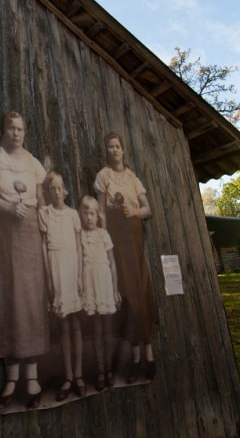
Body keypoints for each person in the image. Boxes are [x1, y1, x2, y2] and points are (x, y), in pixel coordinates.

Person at [0, 111, 49, 410]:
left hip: (30, 233)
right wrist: (7, 208)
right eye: (11, 128)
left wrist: (46, 226)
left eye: (21, 129)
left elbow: (42, 200)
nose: (16, 133)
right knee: (8, 299)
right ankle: (10, 378)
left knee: (31, 299)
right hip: (4, 232)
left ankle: (31, 378)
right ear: (4, 131)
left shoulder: (33, 163)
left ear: (25, 132)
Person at [94, 132, 157, 383]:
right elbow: (99, 209)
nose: (114, 150)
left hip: (133, 234)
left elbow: (148, 208)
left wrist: (134, 211)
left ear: (123, 150)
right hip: (115, 235)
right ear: (107, 151)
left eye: (118, 146)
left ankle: (148, 354)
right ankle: (134, 357)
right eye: (110, 146)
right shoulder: (103, 176)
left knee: (141, 291)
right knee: (127, 293)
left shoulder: (132, 178)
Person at [38, 171, 85, 401]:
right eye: (52, 189)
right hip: (56, 270)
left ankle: (78, 375)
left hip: (71, 268)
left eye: (59, 188)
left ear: (64, 189)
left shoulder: (73, 215)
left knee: (76, 323)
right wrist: (48, 278)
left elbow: (78, 246)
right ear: (48, 192)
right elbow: (45, 249)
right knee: (63, 325)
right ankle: (67, 376)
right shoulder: (44, 214)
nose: (57, 192)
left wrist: (79, 277)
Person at [77, 195, 121, 391]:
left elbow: (112, 264)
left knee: (107, 330)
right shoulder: (80, 236)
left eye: (92, 213)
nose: (89, 217)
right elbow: (78, 262)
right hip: (90, 283)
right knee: (96, 331)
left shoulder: (104, 234)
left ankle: (110, 369)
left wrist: (115, 289)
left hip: (104, 283)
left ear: (97, 215)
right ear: (81, 215)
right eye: (85, 213)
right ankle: (100, 371)